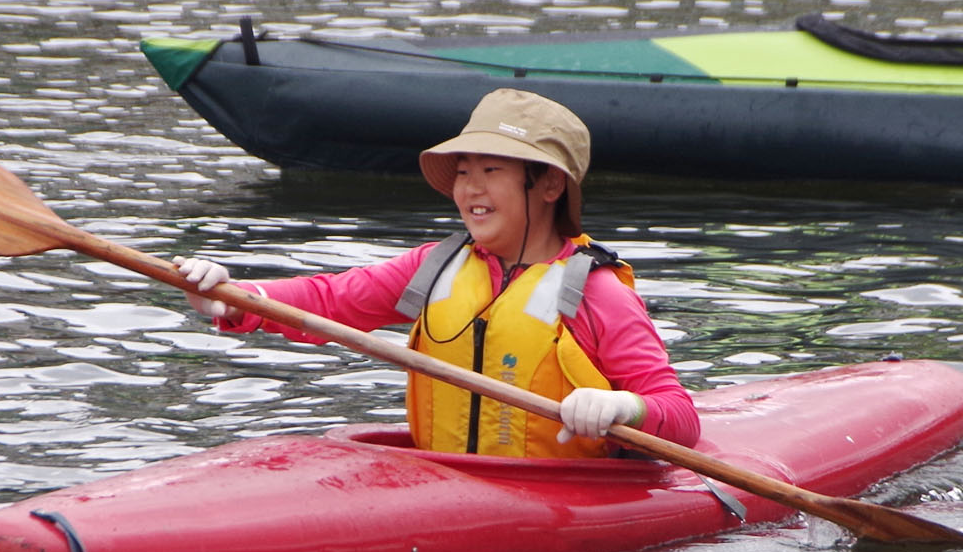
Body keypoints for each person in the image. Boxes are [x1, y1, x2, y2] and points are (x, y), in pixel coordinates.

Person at [175, 89, 699, 457]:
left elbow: (678, 416)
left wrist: (622, 407)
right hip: (449, 481)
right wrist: (235, 297)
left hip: (560, 498)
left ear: (549, 187)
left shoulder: (599, 292)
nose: (470, 189)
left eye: (491, 171)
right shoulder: (437, 265)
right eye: (464, 172)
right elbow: (329, 299)